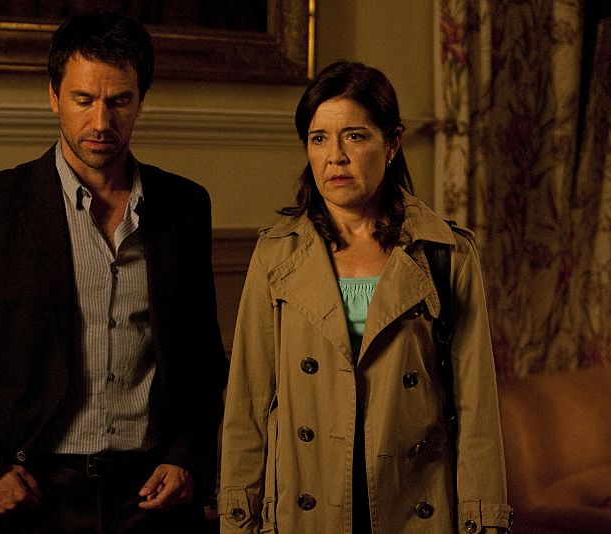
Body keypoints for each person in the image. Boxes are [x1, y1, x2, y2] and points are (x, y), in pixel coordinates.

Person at [0, 10, 228, 533]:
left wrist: (188, 457)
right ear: (53, 96)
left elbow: (202, 355)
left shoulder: (184, 206)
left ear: (141, 100)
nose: (101, 122)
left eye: (119, 101)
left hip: (149, 499)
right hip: (28, 497)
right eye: (83, 100)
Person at [218, 61, 513, 533]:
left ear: (392, 144)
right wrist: (238, 518)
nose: (335, 157)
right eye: (319, 139)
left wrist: (484, 520)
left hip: (413, 504)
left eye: (354, 136)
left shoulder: (445, 253)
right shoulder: (275, 255)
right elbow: (247, 410)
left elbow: (476, 409)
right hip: (306, 505)